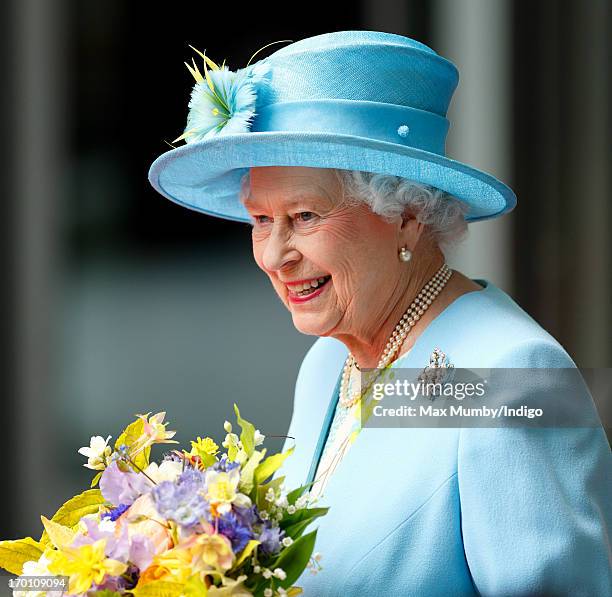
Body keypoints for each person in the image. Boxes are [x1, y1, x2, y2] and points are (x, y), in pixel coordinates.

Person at [149, 31, 611, 596]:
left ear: (408, 214)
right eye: (261, 220)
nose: (274, 256)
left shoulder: (515, 378)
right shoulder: (327, 364)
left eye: (306, 215)